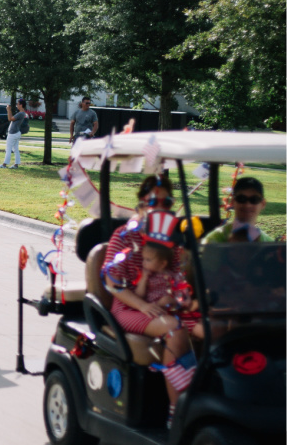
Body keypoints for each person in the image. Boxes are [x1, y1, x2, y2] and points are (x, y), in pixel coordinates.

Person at [103, 175, 195, 426]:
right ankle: (177, 413)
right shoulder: (123, 237)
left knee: (211, 327)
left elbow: (177, 277)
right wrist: (143, 305)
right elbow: (113, 284)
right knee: (175, 329)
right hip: (129, 307)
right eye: (153, 201)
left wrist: (179, 296)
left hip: (164, 304)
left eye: (167, 203)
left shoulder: (169, 240)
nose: (160, 207)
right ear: (141, 205)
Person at [203, 177, 273, 243]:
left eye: (254, 199)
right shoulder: (213, 240)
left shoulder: (270, 244)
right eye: (241, 199)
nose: (247, 205)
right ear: (233, 202)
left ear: (263, 203)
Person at [0, 99, 27, 169]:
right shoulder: (22, 113)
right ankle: (16, 164)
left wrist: (8, 110)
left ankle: (4, 165)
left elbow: (10, 119)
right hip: (16, 133)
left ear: (21, 105)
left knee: (8, 149)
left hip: (13, 133)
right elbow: (11, 118)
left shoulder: (20, 113)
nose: (17, 105)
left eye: (18, 104)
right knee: (15, 149)